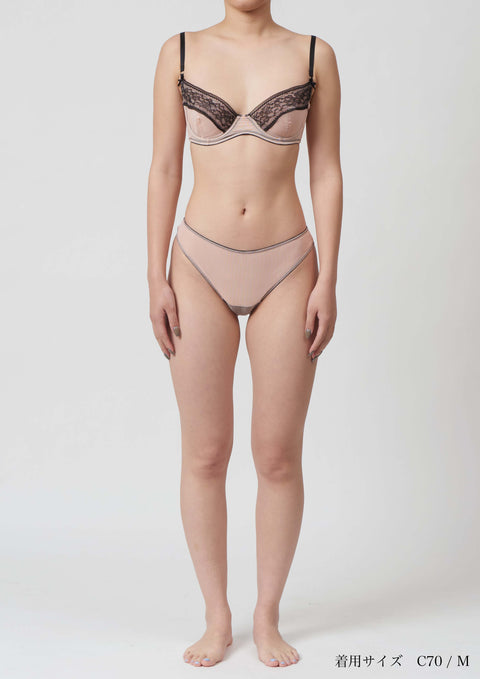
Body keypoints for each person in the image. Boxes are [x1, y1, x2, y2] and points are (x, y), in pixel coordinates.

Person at [147, 0, 342, 669]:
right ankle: (216, 614)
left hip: (289, 264)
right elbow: (164, 168)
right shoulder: (178, 51)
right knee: (205, 452)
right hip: (197, 264)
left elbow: (325, 170)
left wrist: (328, 278)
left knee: (277, 455)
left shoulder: (314, 54)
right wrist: (154, 277)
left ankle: (267, 613)